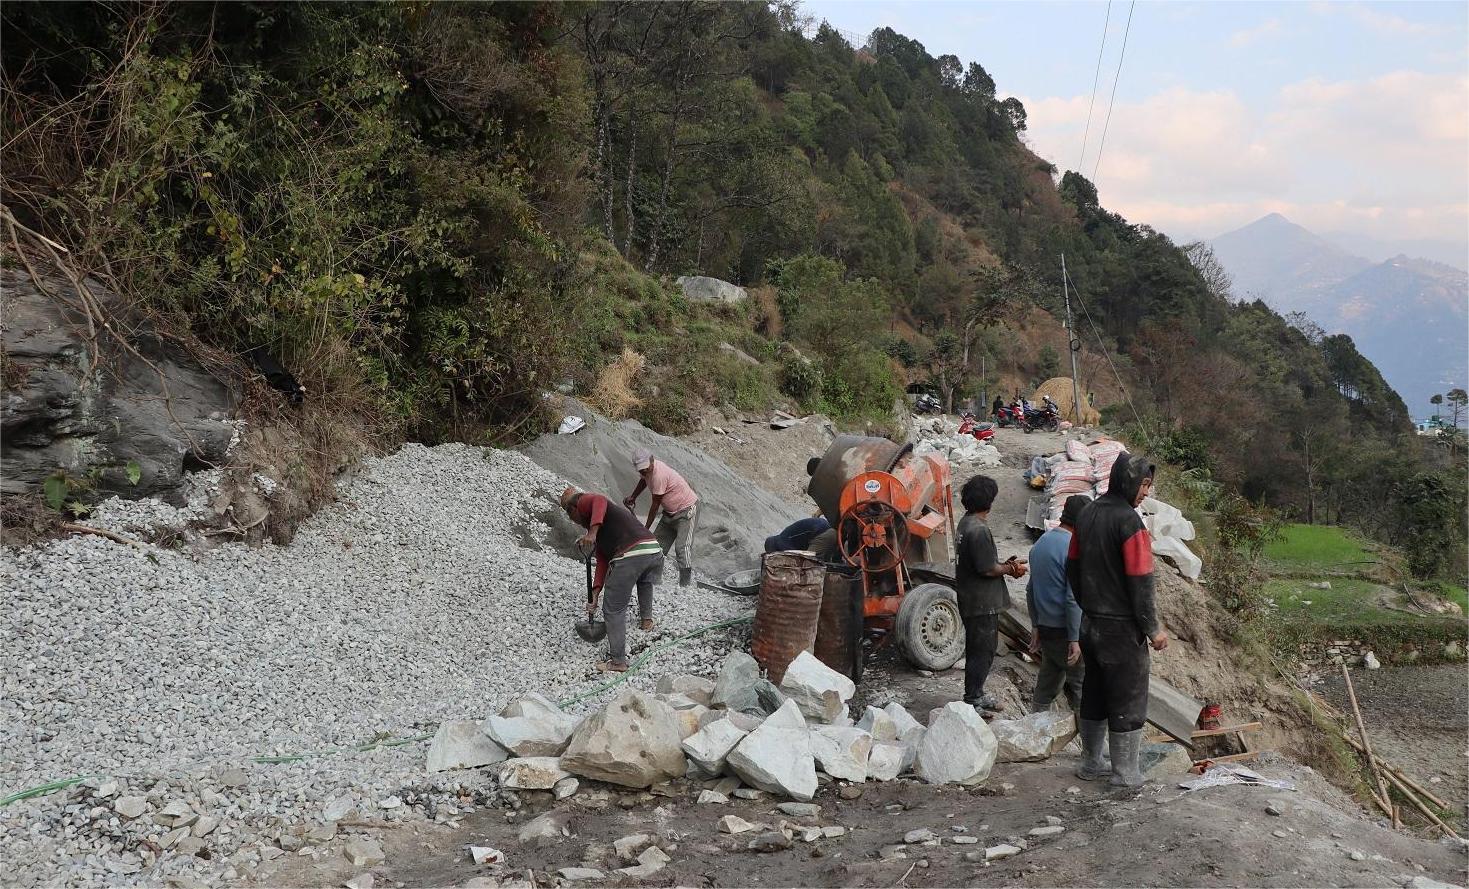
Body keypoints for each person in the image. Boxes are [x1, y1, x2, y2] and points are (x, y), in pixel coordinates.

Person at [1066, 452, 1169, 786]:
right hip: (1122, 631)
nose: (1146, 492)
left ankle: (1091, 762)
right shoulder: (1130, 523)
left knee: (1094, 693)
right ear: (1128, 481)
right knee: (1128, 696)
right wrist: (1152, 629)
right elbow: (1141, 582)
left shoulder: (1087, 515)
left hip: (1090, 624)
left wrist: (1087, 605)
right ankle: (1125, 773)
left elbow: (1072, 567)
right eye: (1144, 484)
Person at [561, 485, 664, 673]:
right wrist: (595, 594)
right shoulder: (600, 528)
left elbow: (599, 499)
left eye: (571, 517)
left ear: (573, 509)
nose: (575, 522)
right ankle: (646, 621)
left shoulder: (583, 502)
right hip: (653, 551)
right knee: (644, 581)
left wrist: (591, 533)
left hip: (633, 552)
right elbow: (602, 561)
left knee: (613, 608)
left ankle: (618, 662)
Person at [954, 475, 1028, 714]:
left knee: (978, 649)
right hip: (982, 602)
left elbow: (983, 562)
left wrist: (1003, 564)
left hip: (970, 597)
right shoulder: (979, 530)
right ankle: (973, 697)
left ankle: (975, 694)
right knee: (982, 651)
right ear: (989, 501)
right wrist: (1010, 569)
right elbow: (988, 568)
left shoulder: (965, 524)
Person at [1026, 495, 1089, 713]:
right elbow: (1073, 599)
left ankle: (1035, 733)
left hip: (1047, 629)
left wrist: (1035, 625)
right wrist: (1074, 637)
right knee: (1083, 687)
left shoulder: (1040, 544)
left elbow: (1030, 589)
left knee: (1047, 684)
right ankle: (1092, 747)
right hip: (1065, 631)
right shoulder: (1072, 549)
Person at [623, 449, 700, 586]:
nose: (643, 472)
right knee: (656, 546)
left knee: (682, 547)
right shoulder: (646, 472)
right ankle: (653, 578)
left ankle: (685, 584)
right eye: (641, 470)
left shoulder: (659, 475)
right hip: (670, 512)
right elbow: (643, 481)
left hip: (687, 511)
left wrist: (646, 528)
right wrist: (633, 496)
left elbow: (655, 504)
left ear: (652, 460)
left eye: (645, 469)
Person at [764, 516, 832, 553]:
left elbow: (796, 557)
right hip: (824, 529)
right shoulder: (784, 536)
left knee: (807, 561)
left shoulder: (784, 544)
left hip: (824, 533)